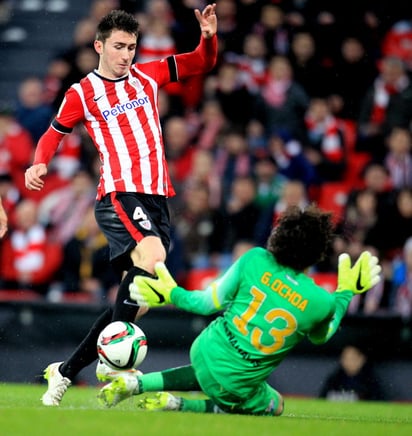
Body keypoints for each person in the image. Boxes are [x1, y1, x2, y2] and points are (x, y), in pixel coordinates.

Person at [24, 5, 218, 406]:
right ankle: (112, 364)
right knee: (153, 253)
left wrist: (209, 37)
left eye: (131, 46)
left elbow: (202, 62)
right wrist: (39, 161)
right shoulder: (82, 92)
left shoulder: (148, 75)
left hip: (157, 198)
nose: (126, 54)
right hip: (118, 193)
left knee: (137, 302)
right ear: (99, 46)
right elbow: (53, 132)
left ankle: (65, 370)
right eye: (118, 46)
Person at [98, 204, 381, 416]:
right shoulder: (322, 301)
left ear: (280, 235)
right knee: (276, 404)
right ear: (317, 251)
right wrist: (345, 294)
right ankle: (183, 405)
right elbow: (322, 336)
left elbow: (207, 303)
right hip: (235, 382)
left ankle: (136, 384)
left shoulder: (255, 259)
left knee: (216, 367)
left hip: (205, 349)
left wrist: (173, 293)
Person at [319, 344, 385, 401]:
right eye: (345, 358)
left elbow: (378, 401)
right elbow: (322, 399)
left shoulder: (370, 381)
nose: (349, 362)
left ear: (362, 359)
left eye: (352, 358)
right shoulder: (334, 379)